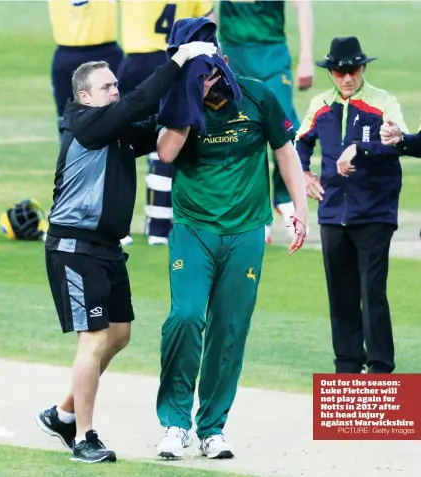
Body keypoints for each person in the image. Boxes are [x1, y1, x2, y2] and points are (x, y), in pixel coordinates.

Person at [35, 40, 218, 464]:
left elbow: (161, 131)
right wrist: (178, 59)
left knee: (119, 335)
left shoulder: (114, 127)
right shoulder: (85, 124)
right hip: (73, 247)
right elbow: (140, 100)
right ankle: (84, 437)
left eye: (116, 85)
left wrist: (194, 93)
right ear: (84, 96)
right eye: (106, 88)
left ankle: (61, 414)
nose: (115, 92)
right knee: (95, 338)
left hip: (106, 249)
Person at [154, 28, 308, 459]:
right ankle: (174, 423)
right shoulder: (177, 100)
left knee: (230, 329)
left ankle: (212, 428)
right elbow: (166, 154)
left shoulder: (258, 96)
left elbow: (285, 151)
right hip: (193, 229)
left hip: (245, 232)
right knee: (185, 317)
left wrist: (299, 209)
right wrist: (189, 95)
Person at [296, 36, 408, 374]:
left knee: (372, 292)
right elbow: (299, 142)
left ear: (362, 68)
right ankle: (346, 364)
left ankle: (379, 367)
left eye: (353, 70)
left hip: (374, 213)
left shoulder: (382, 102)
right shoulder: (320, 104)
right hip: (332, 213)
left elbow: (399, 142)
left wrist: (361, 146)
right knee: (341, 294)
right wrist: (303, 172)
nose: (347, 78)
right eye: (340, 71)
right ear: (331, 72)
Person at [117, 1, 216, 246]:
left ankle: (120, 227)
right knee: (167, 135)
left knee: (120, 143)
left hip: (136, 64)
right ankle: (159, 229)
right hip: (175, 62)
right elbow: (209, 22)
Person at [218, 0, 314, 243]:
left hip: (273, 55)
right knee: (242, 130)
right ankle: (255, 212)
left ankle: (284, 199)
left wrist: (306, 57)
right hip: (234, 54)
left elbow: (303, 5)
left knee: (285, 127)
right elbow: (206, 13)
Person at [48, 0, 124, 127]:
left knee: (114, 112)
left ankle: (117, 146)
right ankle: (69, 146)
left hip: (105, 51)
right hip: (66, 54)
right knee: (65, 117)